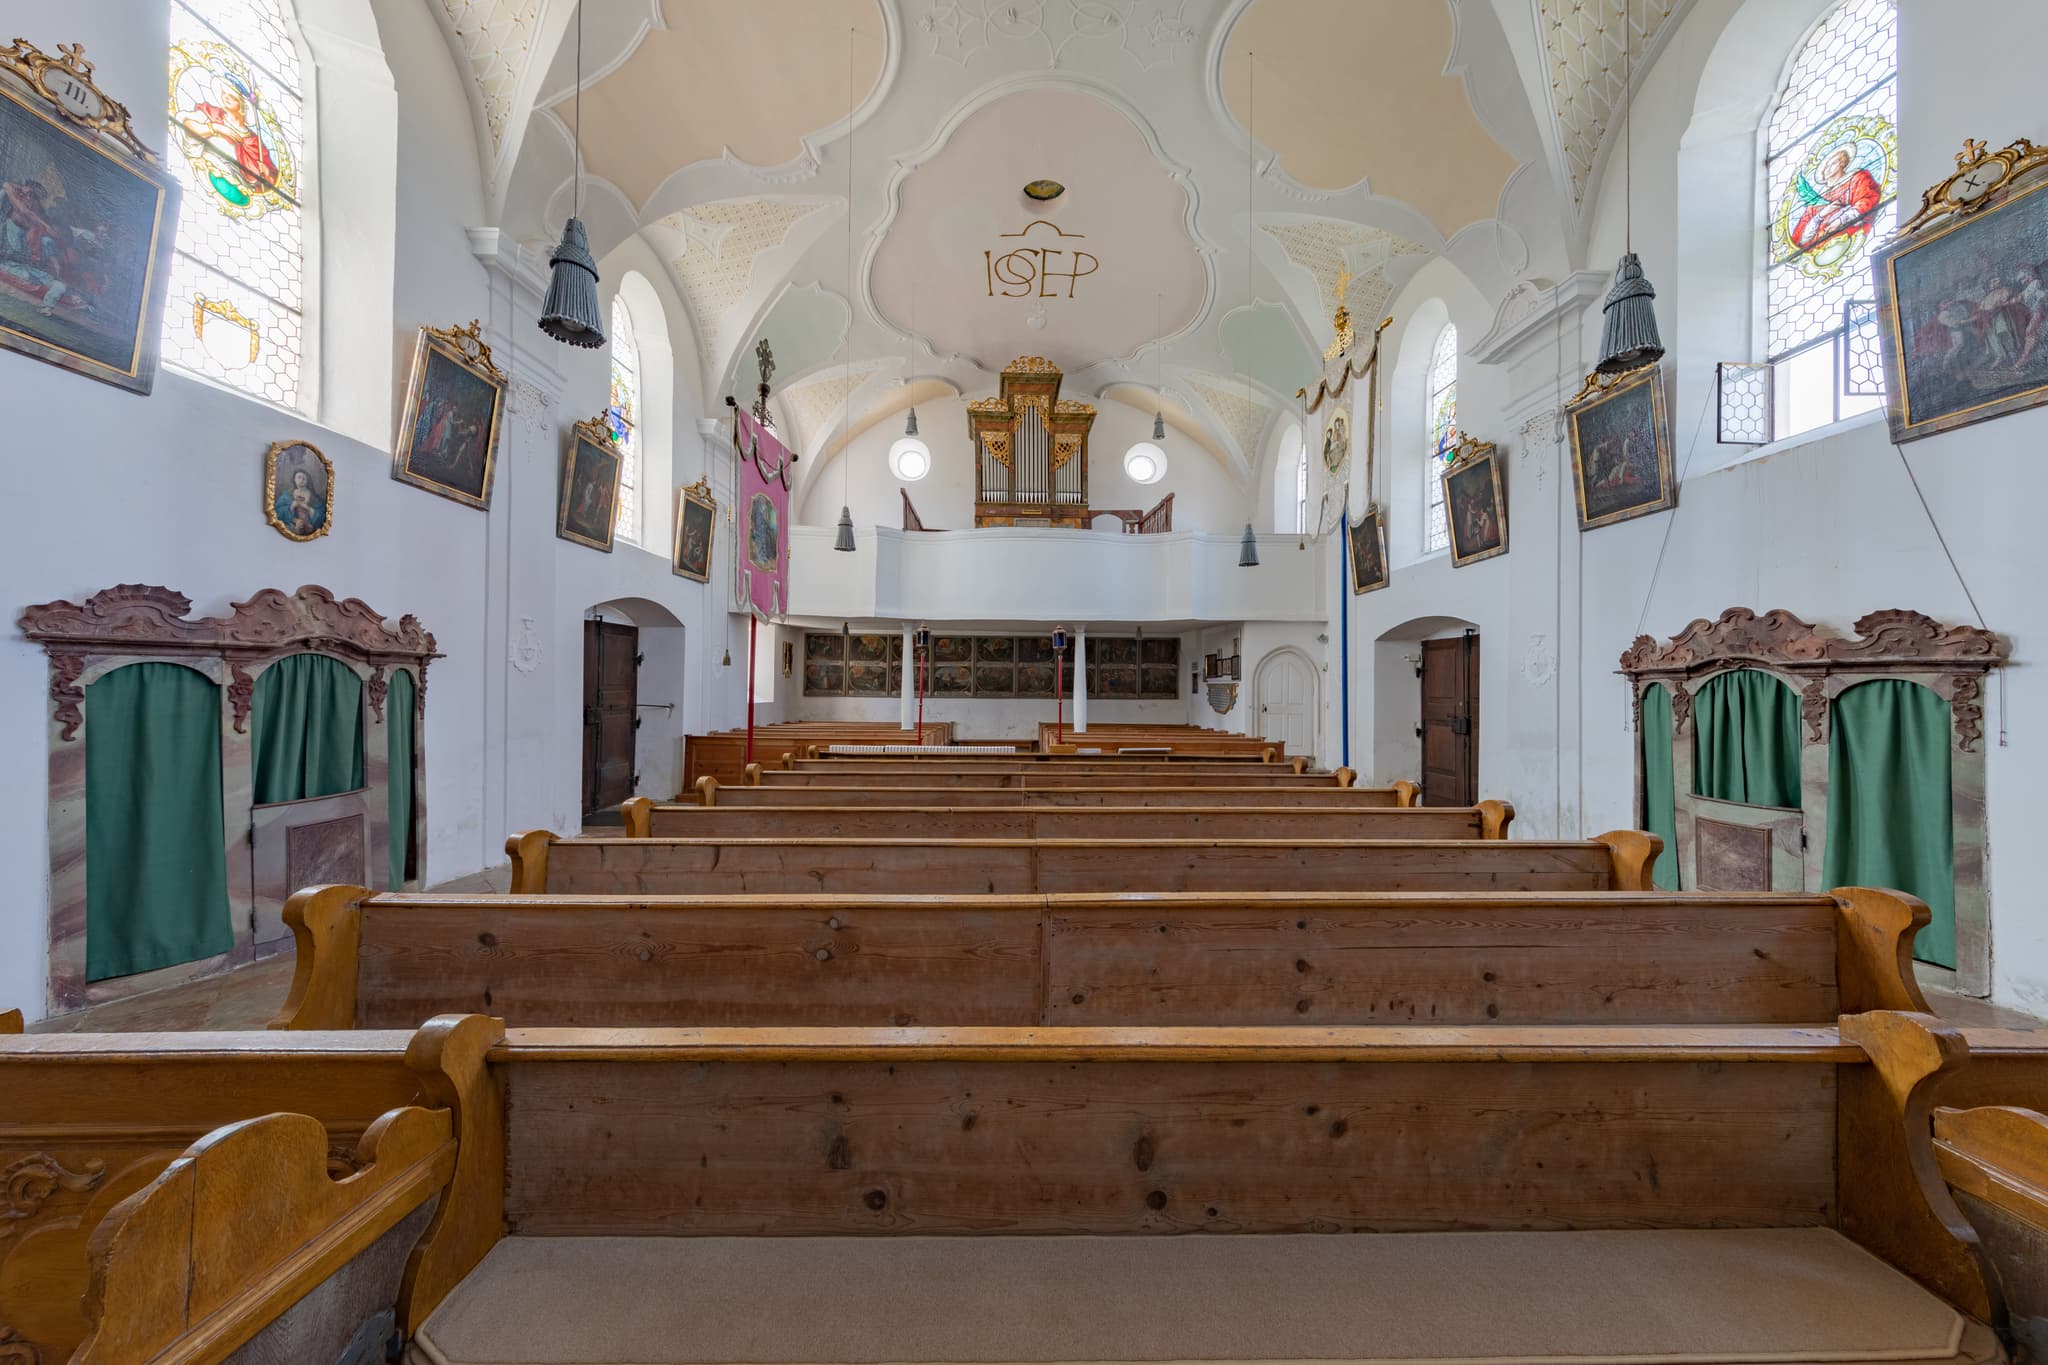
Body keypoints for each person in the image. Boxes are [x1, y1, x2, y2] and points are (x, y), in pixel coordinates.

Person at [1789, 146, 1882, 254]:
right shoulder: (1816, 201)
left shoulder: (1858, 178)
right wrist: (1821, 215)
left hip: (1853, 238)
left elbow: (1868, 200)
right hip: (1820, 249)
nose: (1827, 169)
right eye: (1825, 167)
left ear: (1843, 163)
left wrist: (1840, 221)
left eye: (1832, 163)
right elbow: (1801, 239)